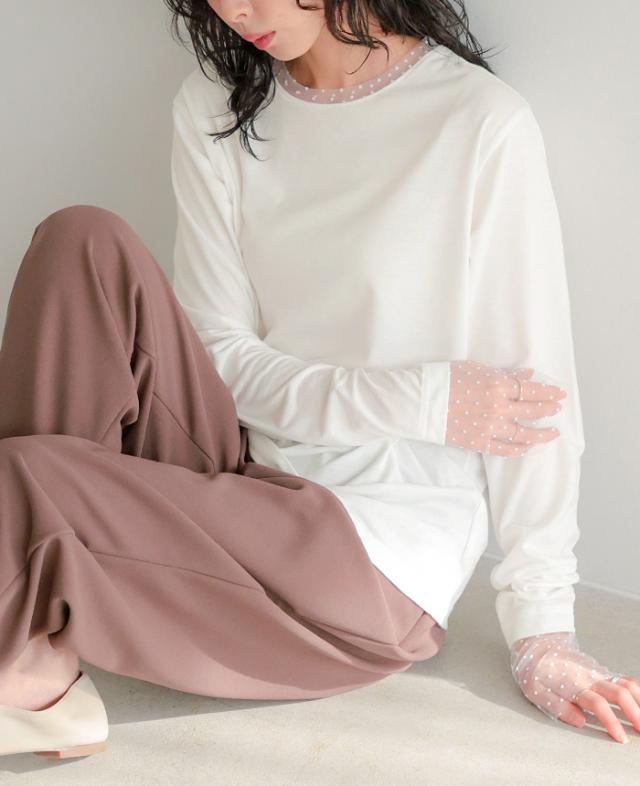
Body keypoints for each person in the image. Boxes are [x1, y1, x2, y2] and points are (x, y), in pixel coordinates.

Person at [0, 0, 637, 760]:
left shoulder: (477, 121)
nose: (234, 10)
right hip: (239, 472)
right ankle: (34, 637)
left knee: (25, 475)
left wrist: (543, 627)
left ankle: (26, 630)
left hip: (365, 556)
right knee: (80, 241)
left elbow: (533, 400)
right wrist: (422, 401)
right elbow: (222, 356)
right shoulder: (216, 105)